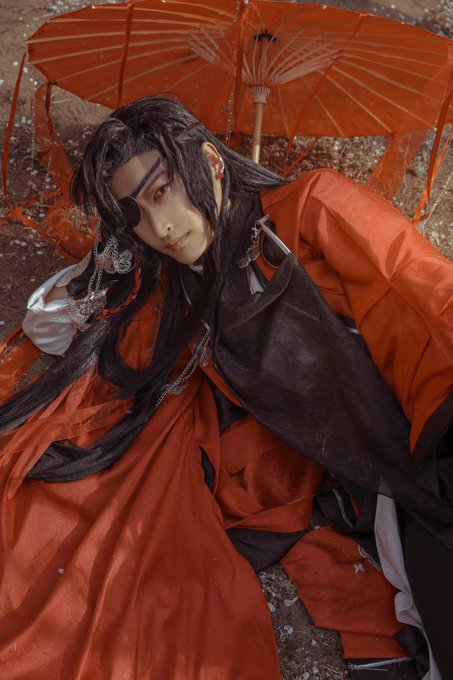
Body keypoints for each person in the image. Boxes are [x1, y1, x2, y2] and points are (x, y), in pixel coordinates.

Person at [0, 95, 452, 680]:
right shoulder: (182, 294)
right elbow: (65, 336)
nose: (160, 228)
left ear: (211, 163)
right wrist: (105, 263)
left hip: (432, 431)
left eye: (164, 191)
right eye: (135, 216)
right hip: (382, 488)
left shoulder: (312, 208)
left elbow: (421, 294)